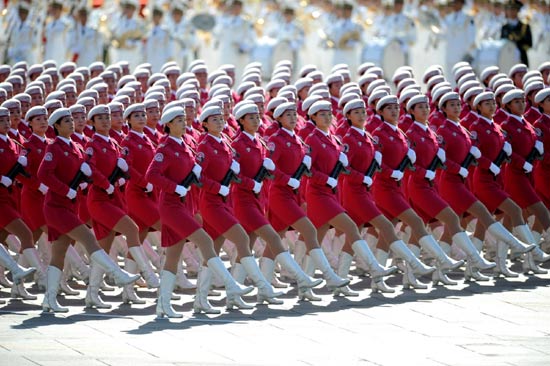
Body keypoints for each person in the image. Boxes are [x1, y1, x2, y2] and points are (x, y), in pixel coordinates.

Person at [232, 102, 346, 304]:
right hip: (271, 196)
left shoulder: (283, 141)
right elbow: (268, 171)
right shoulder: (262, 141)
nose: (293, 118)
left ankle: (243, 294)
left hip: (273, 197)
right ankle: (320, 276)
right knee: (307, 231)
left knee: (252, 243)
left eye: (295, 114)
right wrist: (284, 180)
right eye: (288, 115)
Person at [37, 108, 139, 313]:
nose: (71, 123)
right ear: (56, 126)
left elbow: (84, 172)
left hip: (69, 205)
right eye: (66, 121)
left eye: (71, 120)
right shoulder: (54, 147)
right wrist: (66, 190)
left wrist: (84, 182)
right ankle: (118, 274)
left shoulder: (76, 146)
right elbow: (43, 174)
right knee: (89, 240)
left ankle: (49, 299)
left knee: (59, 254)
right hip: (56, 206)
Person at [435, 92, 537, 277]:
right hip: (456, 182)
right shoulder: (448, 129)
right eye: (451, 105)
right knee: (507, 211)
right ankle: (520, 247)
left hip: (475, 181)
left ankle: (446, 271)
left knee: (455, 227)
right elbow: (444, 158)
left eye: (458, 104)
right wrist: (465, 167)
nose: (456, 108)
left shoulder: (468, 129)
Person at [340, 98, 435, 294]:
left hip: (371, 189)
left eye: (363, 112)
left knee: (356, 234)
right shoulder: (352, 137)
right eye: (356, 112)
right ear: (348, 116)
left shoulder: (371, 135)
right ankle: (414, 263)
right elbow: (345, 168)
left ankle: (344, 281)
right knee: (387, 226)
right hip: (357, 191)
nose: (361, 115)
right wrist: (377, 174)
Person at [370, 95, 463, 289]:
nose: (394, 111)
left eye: (396, 108)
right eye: (389, 109)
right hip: (386, 188)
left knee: (387, 232)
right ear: (380, 112)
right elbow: (379, 165)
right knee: (417, 222)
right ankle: (439, 260)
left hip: (399, 187)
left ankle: (386, 279)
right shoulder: (380, 133)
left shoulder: (402, 133)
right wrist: (393, 171)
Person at [304, 100, 397, 291]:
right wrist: (325, 180)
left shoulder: (334, 139)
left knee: (317, 236)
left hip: (331, 193)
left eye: (329, 113)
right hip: (318, 193)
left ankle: (307, 285)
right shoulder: (312, 139)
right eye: (322, 114)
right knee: (351, 228)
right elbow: (309, 170)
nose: (327, 117)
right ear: (312, 117)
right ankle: (375, 268)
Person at [196, 105, 283, 310]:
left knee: (214, 248)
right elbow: (199, 177)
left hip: (227, 202)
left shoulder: (226, 142)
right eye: (214, 119)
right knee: (242, 239)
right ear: (205, 124)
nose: (219, 122)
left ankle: (203, 299)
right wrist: (218, 187)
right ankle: (262, 286)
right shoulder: (204, 146)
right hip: (211, 202)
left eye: (221, 119)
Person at [405, 94, 496, 284]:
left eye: (426, 107)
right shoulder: (412, 133)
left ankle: (412, 276)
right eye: (419, 107)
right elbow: (410, 164)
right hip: (420, 185)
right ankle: (474, 259)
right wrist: (426, 171)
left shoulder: (430, 131)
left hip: (431, 184)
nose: (424, 110)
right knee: (453, 218)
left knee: (419, 228)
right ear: (411, 111)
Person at [84, 104, 159, 309]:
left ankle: (97, 293)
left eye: (107, 117)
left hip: (115, 198)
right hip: (99, 199)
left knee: (104, 247)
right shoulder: (93, 145)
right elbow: (89, 167)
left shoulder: (114, 144)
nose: (106, 121)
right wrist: (106, 183)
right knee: (132, 229)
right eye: (100, 119)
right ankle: (149, 275)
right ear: (92, 123)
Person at [499, 89, 550, 273]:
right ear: (507, 106)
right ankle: (533, 255)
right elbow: (509, 153)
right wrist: (524, 162)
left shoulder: (527, 124)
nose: (521, 104)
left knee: (511, 218)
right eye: (516, 102)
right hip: (516, 175)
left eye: (522, 101)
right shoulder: (507, 125)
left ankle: (504, 262)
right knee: (542, 213)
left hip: (527, 175)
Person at [0, 106, 37, 303]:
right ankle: (38, 275)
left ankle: (17, 287)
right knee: (26, 234)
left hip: (12, 196)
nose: (6, 123)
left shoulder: (13, 143)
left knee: (3, 238)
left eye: (7, 120)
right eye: (1, 121)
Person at [501, 0, 532, 67]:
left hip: (521, 58)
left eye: (513, 9)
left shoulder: (524, 26)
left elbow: (529, 44)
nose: (511, 12)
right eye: (509, 10)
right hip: (507, 58)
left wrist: (517, 45)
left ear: (518, 10)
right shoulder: (504, 27)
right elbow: (501, 43)